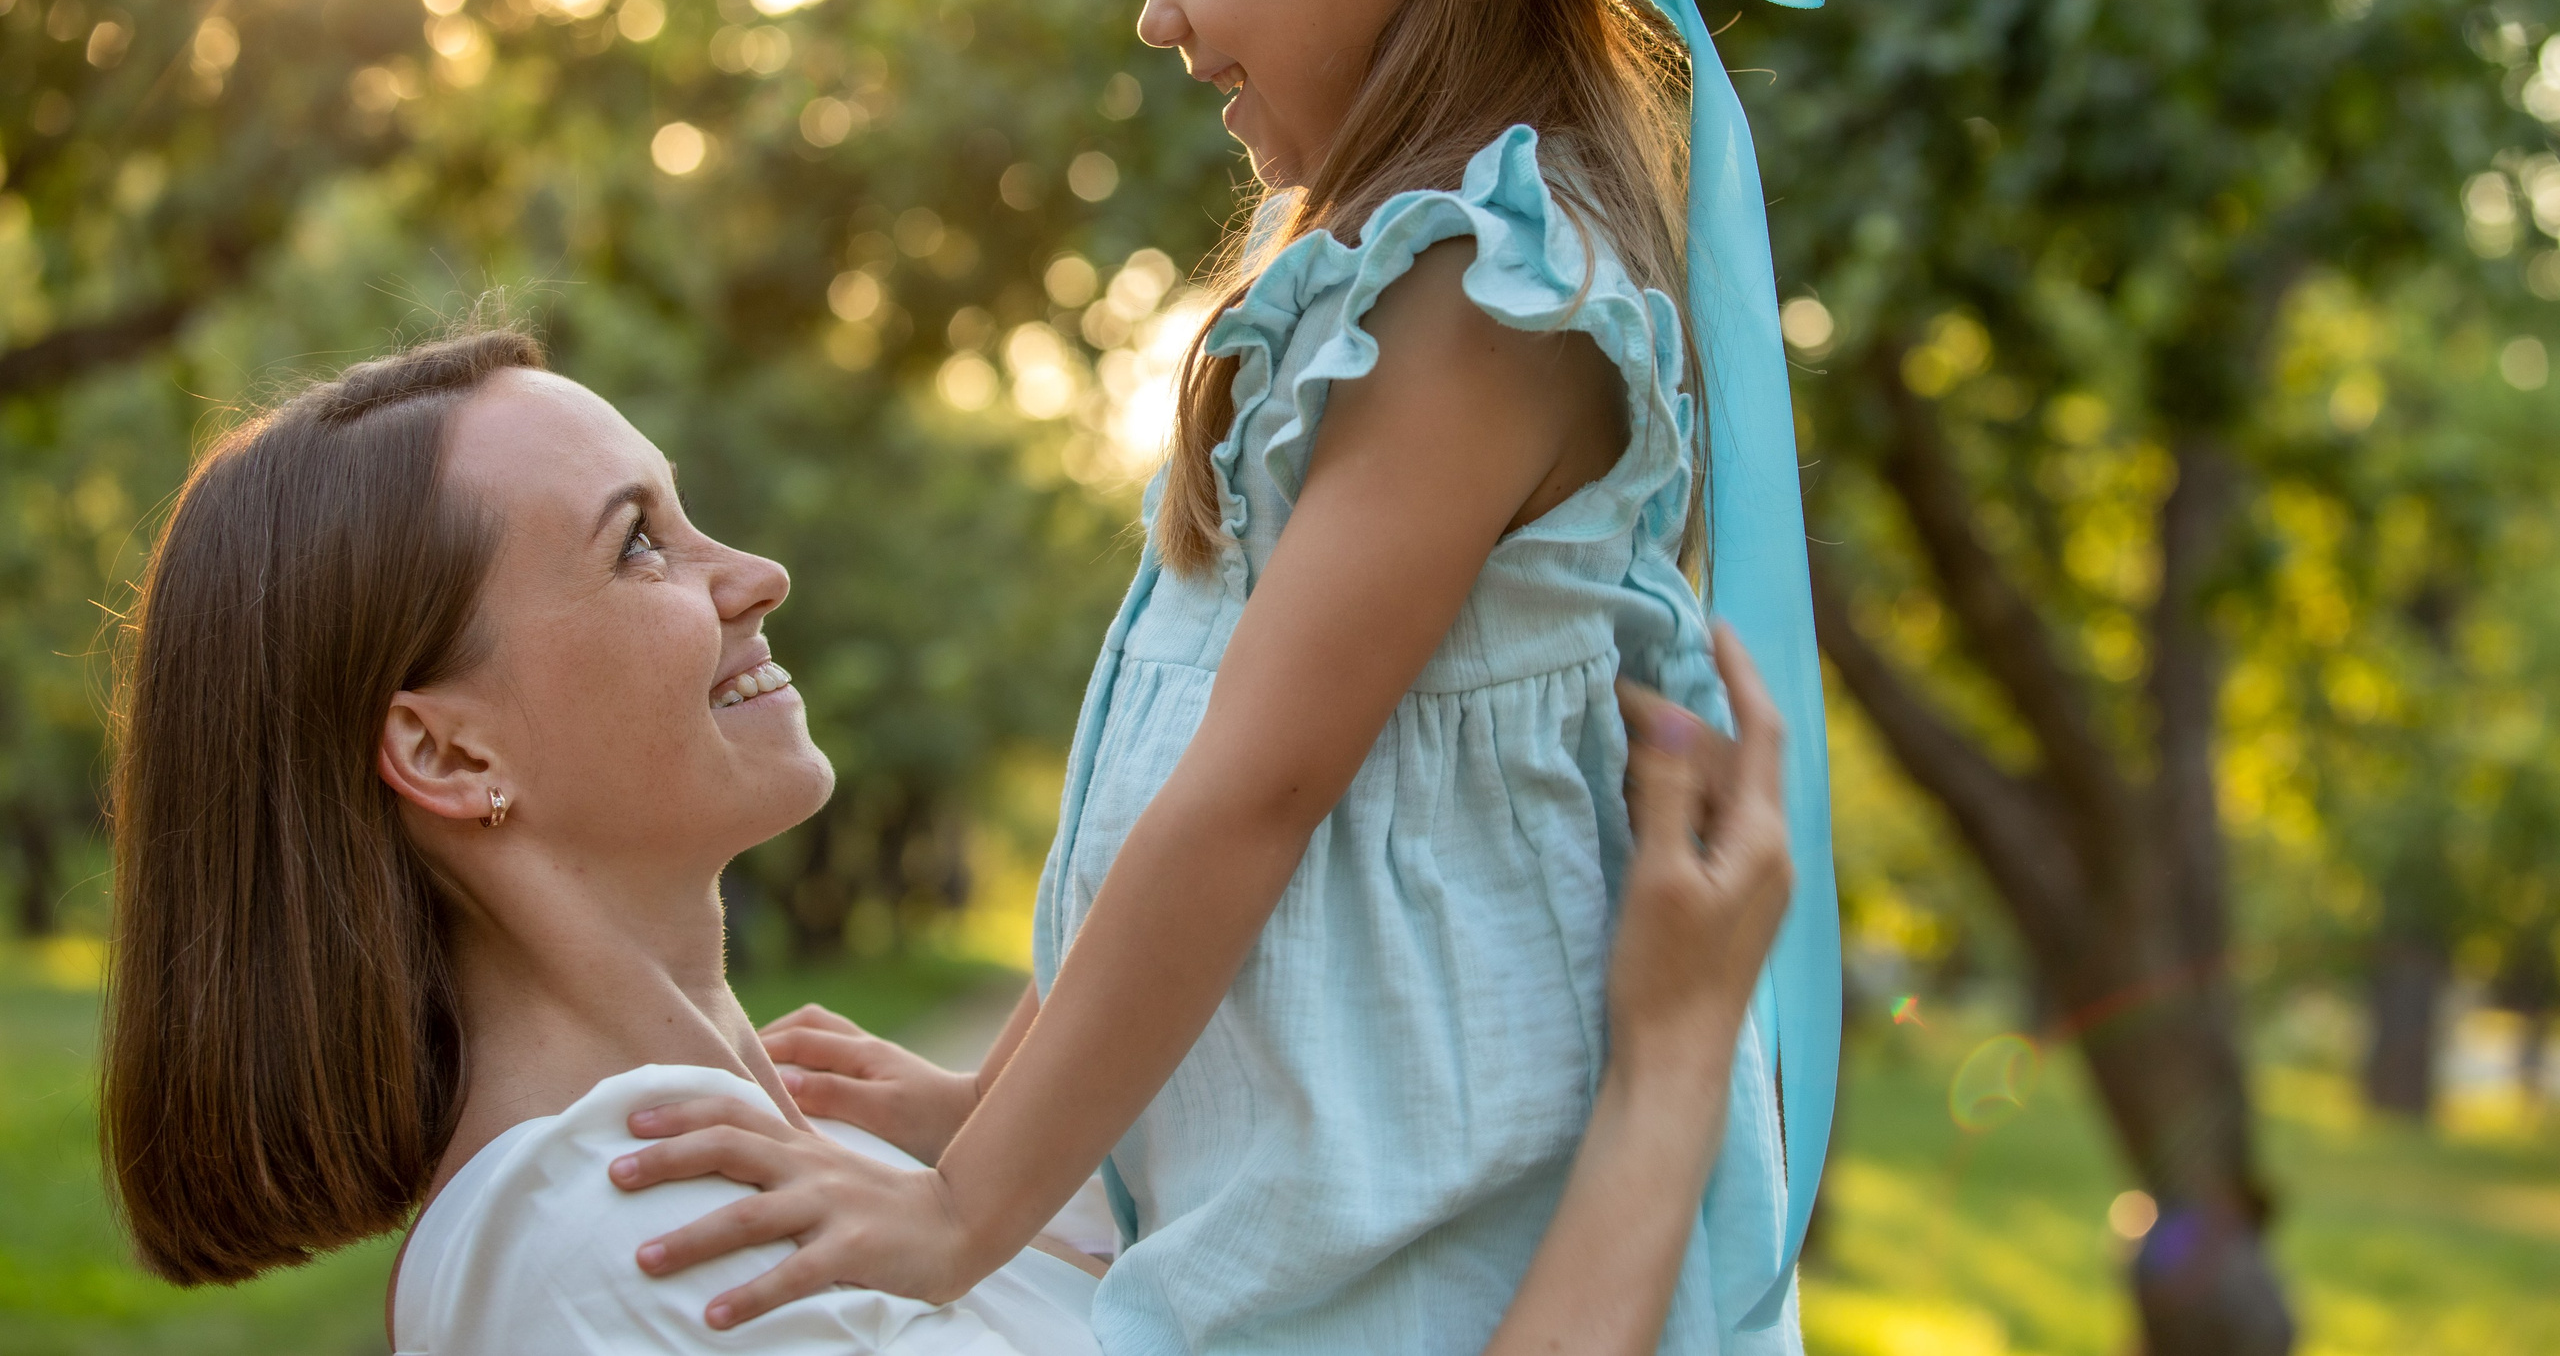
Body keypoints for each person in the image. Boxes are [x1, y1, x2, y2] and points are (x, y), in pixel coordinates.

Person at [612, 0, 1844, 1352]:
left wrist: (970, 1211)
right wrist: (991, 1104)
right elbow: (1187, 801)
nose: (1155, 13)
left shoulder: (1489, 293)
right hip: (1350, 1199)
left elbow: (1255, 799)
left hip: (1437, 1234)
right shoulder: (1390, 287)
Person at [97, 330, 1793, 1355]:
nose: (750, 574)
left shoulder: (829, 1173)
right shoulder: (619, 1242)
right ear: (447, 750)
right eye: (637, 548)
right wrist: (1668, 1080)